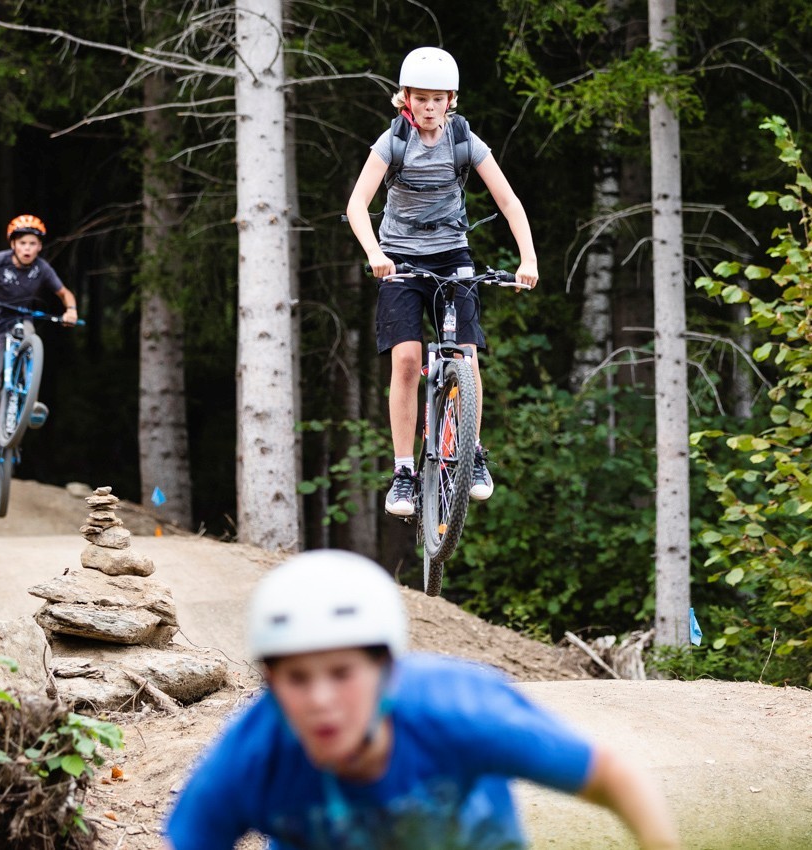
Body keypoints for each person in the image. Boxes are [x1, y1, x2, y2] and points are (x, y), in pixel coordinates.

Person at [165, 550, 681, 850]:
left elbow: (615, 778)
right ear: (271, 682)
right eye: (297, 679)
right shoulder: (251, 756)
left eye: (342, 673)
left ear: (387, 671)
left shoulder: (459, 710)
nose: (321, 699)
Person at [346, 46, 539, 518]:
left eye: (438, 98)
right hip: (400, 260)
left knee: (468, 357)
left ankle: (472, 456)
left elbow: (509, 202)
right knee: (408, 360)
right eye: (421, 98)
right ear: (405, 98)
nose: (429, 107)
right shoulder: (391, 142)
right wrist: (375, 254)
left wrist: (527, 258)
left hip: (453, 255)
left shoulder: (464, 141)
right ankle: (404, 472)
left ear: (451, 99)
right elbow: (356, 205)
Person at [0, 214, 78, 466]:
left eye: (32, 244)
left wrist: (71, 310)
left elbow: (64, 293)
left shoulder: (42, 269)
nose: (27, 249)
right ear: (13, 244)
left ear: (40, 247)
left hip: (21, 321)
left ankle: (29, 400)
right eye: (22, 243)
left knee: (33, 342)